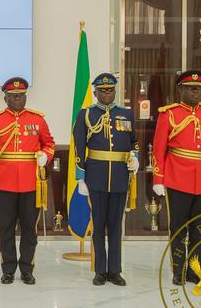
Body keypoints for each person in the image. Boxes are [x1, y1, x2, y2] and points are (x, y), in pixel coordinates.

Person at [152, 70, 201, 286]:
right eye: (191, 88)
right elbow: (158, 149)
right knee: (178, 228)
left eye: (198, 88)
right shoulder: (169, 114)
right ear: (181, 90)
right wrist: (158, 179)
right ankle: (178, 270)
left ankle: (195, 270)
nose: (196, 92)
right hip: (177, 179)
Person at [0, 77, 55, 285]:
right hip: (3, 184)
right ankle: (8, 269)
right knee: (5, 229)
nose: (18, 99)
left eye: (21, 96)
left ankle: (27, 269)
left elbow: (49, 143)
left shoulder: (37, 120)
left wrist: (45, 155)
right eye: (13, 96)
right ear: (5, 97)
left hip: (31, 184)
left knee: (29, 230)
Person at [72, 73, 139, 286]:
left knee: (116, 226)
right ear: (95, 92)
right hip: (96, 177)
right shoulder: (86, 115)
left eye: (110, 90)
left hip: (120, 177)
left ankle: (115, 271)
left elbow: (133, 142)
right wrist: (80, 178)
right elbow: (79, 147)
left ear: (115, 91)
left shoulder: (127, 114)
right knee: (99, 226)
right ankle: (100, 271)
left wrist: (135, 159)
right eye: (102, 90)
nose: (107, 93)